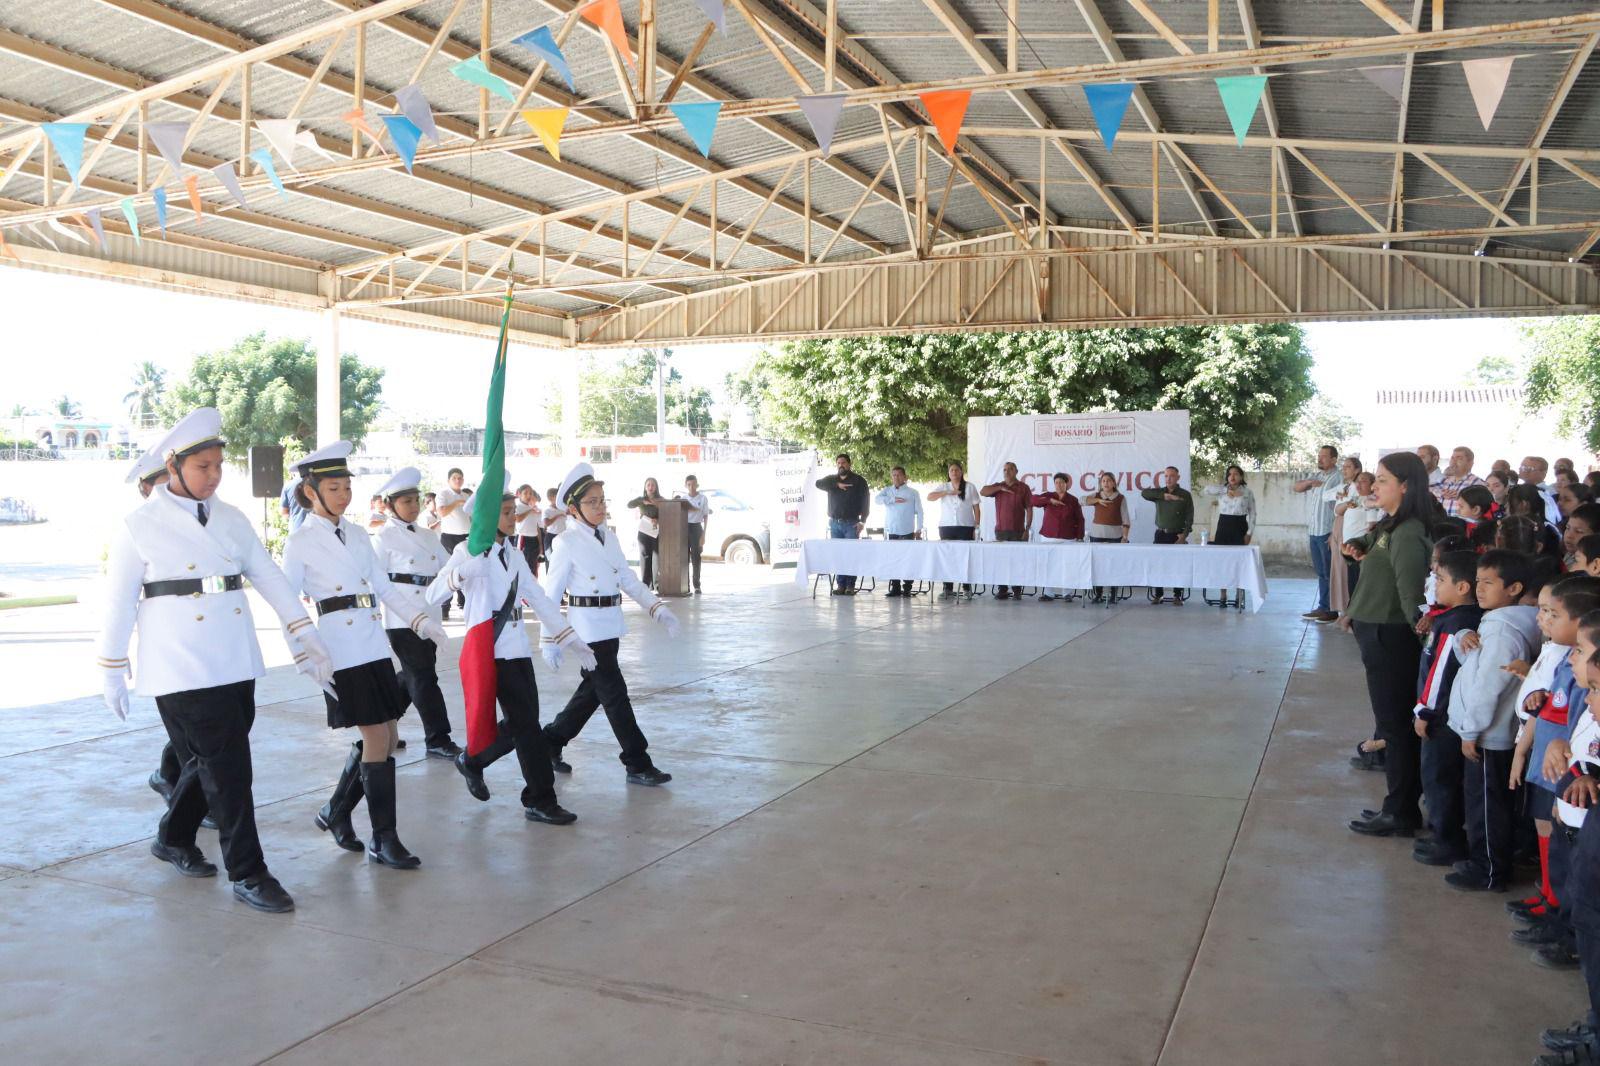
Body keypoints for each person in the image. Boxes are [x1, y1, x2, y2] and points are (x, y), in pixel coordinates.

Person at [97, 408, 333, 913]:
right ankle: (248, 871)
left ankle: (173, 836)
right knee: (230, 769)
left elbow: (268, 575)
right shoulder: (140, 525)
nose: (214, 475)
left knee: (212, 758)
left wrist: (302, 632)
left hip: (233, 655)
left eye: (218, 465)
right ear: (173, 465)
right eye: (203, 466)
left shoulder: (231, 517)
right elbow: (118, 601)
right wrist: (112, 667)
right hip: (180, 662)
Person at [283, 442, 448, 870]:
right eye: (333, 488)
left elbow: (385, 588)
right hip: (337, 647)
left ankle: (336, 811)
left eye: (346, 487)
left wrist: (420, 622)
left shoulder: (357, 534)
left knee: (389, 738)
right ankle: (383, 838)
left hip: (373, 643)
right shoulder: (300, 542)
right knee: (378, 738)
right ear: (310, 492)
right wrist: (303, 654)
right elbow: (285, 602)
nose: (343, 495)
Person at [431, 482, 595, 824]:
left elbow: (538, 599)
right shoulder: (466, 552)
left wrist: (571, 639)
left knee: (525, 723)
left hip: (517, 647)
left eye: (513, 512)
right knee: (527, 727)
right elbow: (432, 595)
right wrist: (461, 574)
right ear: (487, 517)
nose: (513, 518)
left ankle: (473, 761)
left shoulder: (514, 555)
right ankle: (540, 799)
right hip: (488, 650)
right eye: (506, 513)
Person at [541, 463, 681, 786]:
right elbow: (549, 596)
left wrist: (656, 608)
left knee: (592, 693)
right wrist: (549, 640)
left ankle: (550, 741)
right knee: (615, 695)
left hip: (610, 625)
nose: (601, 507)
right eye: (593, 502)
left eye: (603, 500)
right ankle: (637, 761)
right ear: (574, 509)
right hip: (587, 633)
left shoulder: (610, 537)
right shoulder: (566, 544)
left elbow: (628, 579)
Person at [1344, 450, 1435, 838]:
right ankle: (1399, 807)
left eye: (1382, 479)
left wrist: (1420, 628)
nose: (1374, 485)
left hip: (1391, 633)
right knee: (1392, 723)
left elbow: (1410, 590)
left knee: (1396, 726)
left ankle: (1399, 811)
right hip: (1377, 629)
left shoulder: (1410, 530)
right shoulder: (1390, 525)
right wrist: (1358, 547)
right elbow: (1369, 544)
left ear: (1405, 485)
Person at [1444, 550, 1539, 891]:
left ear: (1514, 588)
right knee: (1491, 802)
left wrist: (1471, 730)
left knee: (1486, 806)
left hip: (1488, 734)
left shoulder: (1503, 632)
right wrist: (1461, 638)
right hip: (1490, 731)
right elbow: (1475, 664)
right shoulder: (1503, 622)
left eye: (1488, 583)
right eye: (1478, 581)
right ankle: (1492, 861)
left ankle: (1488, 870)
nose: (1479, 589)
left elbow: (1488, 686)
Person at [371, 467, 458, 760]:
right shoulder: (382, 538)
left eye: (415, 500)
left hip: (429, 613)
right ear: (390, 504)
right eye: (406, 501)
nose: (413, 506)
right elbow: (375, 582)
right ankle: (438, 737)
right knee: (423, 676)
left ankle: (383, 721)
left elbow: (448, 567)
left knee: (413, 675)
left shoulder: (429, 536)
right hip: (401, 617)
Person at [1409, 550, 1483, 866]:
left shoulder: (1455, 624)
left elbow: (1439, 673)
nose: (1434, 584)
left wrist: (1424, 711)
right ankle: (1445, 833)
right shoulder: (1453, 617)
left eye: (1440, 579)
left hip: (1440, 718)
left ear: (1463, 586)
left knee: (1439, 777)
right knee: (1444, 778)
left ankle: (1448, 840)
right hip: (1447, 715)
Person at [1293, 445, 1343, 623]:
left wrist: (1334, 533)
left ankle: (1331, 609)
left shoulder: (1339, 477)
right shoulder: (1318, 476)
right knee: (1321, 571)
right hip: (1314, 531)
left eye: (1324, 456)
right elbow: (1297, 487)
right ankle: (1323, 606)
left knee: (1330, 572)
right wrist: (1308, 483)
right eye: (1319, 455)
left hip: (1327, 531)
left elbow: (1342, 504)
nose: (1320, 459)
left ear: (1334, 459)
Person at [814, 455, 870, 596]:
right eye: (838, 463)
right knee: (838, 555)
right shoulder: (832, 479)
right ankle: (840, 585)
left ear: (849, 464)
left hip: (852, 523)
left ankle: (850, 585)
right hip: (835, 524)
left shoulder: (859, 480)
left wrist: (863, 521)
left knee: (851, 555)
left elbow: (865, 502)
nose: (841, 465)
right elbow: (817, 483)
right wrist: (836, 485)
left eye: (843, 463)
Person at [1140, 465, 1194, 605]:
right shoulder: (1159, 493)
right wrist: (1164, 496)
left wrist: (1184, 536)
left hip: (1177, 535)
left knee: (1178, 566)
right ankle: (1159, 595)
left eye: (1171, 476)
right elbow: (1144, 493)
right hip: (1161, 534)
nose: (1168, 478)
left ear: (1178, 478)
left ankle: (1177, 595)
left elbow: (1190, 517)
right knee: (1158, 565)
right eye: (1166, 476)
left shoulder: (1185, 495)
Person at [928, 461, 981, 599]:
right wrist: (947, 492)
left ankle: (966, 587)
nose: (954, 472)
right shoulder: (944, 487)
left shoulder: (970, 487)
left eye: (956, 470)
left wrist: (977, 525)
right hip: (947, 526)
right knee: (947, 556)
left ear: (961, 472)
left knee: (965, 556)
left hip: (966, 526)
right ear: (948, 473)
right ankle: (948, 587)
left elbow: (976, 507)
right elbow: (930, 497)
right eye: (951, 470)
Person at [981, 461, 1033, 600]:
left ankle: (1017, 590)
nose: (1007, 472)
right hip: (1001, 531)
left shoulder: (1024, 488)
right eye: (1004, 469)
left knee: (1017, 561)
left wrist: (1027, 529)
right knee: (1001, 562)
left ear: (1016, 471)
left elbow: (1029, 508)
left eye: (1010, 469)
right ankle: (1002, 590)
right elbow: (983, 491)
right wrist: (1000, 489)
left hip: (1018, 531)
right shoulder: (999, 486)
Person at [1031, 473, 1085, 601]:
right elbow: (1032, 500)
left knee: (1068, 566)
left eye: (1061, 482)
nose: (1059, 485)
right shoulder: (1049, 496)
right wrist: (1049, 500)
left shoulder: (1072, 500)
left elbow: (1080, 519)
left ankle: (1067, 593)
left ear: (1067, 484)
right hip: (1048, 537)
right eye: (1056, 482)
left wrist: (1080, 536)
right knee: (1048, 565)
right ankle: (1049, 593)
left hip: (1068, 538)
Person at [874, 466, 924, 598]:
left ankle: (907, 588)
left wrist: (919, 529)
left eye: (899, 475)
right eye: (893, 475)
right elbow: (877, 500)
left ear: (905, 477)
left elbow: (919, 512)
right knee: (893, 560)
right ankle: (895, 587)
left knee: (908, 560)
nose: (896, 477)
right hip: (892, 531)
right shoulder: (887, 491)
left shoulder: (913, 493)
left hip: (907, 531)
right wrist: (892, 500)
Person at [1082, 471, 1131, 604]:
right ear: (1100, 483)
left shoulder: (1120, 498)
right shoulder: (1096, 495)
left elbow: (1126, 518)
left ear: (1114, 483)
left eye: (1109, 480)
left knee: (1113, 566)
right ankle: (1098, 594)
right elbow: (1081, 500)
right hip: (1097, 536)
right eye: (1103, 481)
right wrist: (1097, 500)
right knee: (1098, 566)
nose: (1106, 483)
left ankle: (1113, 594)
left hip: (1115, 537)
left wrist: (1124, 537)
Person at [434, 468, 471, 619]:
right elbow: (441, 512)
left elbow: (473, 515)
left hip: (466, 536)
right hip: (449, 538)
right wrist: (456, 503)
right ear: (449, 480)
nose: (458, 480)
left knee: (467, 570)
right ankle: (445, 607)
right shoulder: (443, 494)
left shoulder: (467, 495)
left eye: (460, 478)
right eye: (455, 478)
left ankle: (466, 603)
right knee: (449, 571)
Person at [627, 478, 667, 590]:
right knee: (645, 556)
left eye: (653, 485)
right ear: (645, 487)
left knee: (656, 557)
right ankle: (646, 584)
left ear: (656, 487)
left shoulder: (661, 499)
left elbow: (668, 512)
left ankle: (657, 584)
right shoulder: (641, 499)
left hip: (656, 531)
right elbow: (629, 505)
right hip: (644, 531)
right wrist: (641, 501)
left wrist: (658, 519)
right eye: (648, 485)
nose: (650, 487)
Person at [677, 474, 712, 594]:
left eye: (693, 484)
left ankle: (697, 585)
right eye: (689, 485)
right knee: (684, 558)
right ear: (685, 485)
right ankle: (685, 585)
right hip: (685, 527)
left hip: (697, 528)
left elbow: (706, 516)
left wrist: (704, 534)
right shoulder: (683, 498)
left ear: (697, 485)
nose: (691, 487)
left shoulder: (703, 498)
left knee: (696, 557)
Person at [1437, 446, 1485, 516]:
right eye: (1452, 458)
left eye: (1459, 458)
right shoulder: (1444, 482)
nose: (1453, 461)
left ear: (1470, 463)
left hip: (1464, 525)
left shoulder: (1477, 484)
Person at [1522, 456, 1565, 526]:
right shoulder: (1517, 489)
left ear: (1543, 473)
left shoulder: (1549, 493)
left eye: (1529, 468)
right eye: (1522, 467)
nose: (1524, 471)